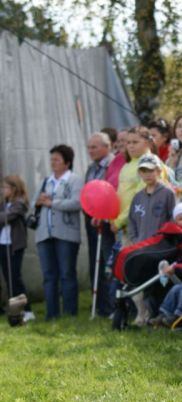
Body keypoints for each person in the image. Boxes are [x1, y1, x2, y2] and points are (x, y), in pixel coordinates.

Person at [35, 144, 83, 320]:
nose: (53, 163)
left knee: (67, 274)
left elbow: (77, 203)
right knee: (48, 276)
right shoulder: (46, 181)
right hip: (44, 233)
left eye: (57, 159)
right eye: (51, 159)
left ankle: (70, 313)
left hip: (66, 234)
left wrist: (52, 202)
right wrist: (40, 201)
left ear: (67, 162)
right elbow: (36, 201)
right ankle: (51, 314)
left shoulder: (75, 180)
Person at [111, 126, 170, 244]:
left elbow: (141, 199)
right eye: (128, 142)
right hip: (126, 225)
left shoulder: (149, 163)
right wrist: (112, 217)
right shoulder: (127, 165)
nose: (131, 146)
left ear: (147, 143)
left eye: (135, 142)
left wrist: (119, 221)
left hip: (143, 225)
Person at [84, 132, 115, 317]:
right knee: (95, 262)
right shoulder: (90, 168)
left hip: (108, 220)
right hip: (92, 219)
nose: (90, 151)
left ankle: (112, 306)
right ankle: (101, 305)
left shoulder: (113, 165)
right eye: (89, 147)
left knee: (108, 262)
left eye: (94, 147)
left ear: (107, 146)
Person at [0, 175, 33, 321]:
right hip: (2, 244)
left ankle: (27, 310)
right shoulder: (3, 204)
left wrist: (3, 216)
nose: (2, 190)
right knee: (8, 278)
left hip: (14, 246)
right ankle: (13, 309)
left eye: (5, 187)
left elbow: (8, 217)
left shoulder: (20, 203)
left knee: (15, 278)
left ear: (13, 189)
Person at [128, 154, 176, 244]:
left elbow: (173, 219)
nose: (147, 175)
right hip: (141, 246)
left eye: (150, 170)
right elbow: (131, 221)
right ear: (139, 173)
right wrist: (135, 240)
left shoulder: (168, 193)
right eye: (143, 171)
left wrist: (164, 239)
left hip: (160, 246)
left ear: (158, 171)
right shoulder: (137, 197)